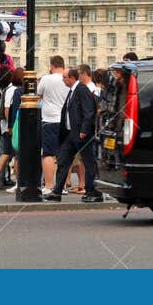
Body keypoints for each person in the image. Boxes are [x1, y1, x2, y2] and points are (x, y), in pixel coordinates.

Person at [45, 65, 103, 202]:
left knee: (89, 163)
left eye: (64, 78)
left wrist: (84, 130)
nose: (63, 80)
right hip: (71, 135)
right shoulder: (72, 91)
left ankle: (92, 192)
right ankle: (57, 192)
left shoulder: (81, 89)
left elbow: (89, 112)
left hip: (81, 134)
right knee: (63, 161)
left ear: (71, 78)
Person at [37, 56, 69, 192]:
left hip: (49, 119)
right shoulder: (69, 79)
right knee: (64, 154)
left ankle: (49, 185)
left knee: (48, 154)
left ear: (52, 66)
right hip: (65, 121)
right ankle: (63, 186)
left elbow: (38, 95)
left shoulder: (46, 79)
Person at [0, 71, 19, 190]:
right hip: (9, 128)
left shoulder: (6, 88)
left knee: (7, 152)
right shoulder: (13, 90)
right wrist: (10, 126)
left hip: (6, 126)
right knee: (10, 153)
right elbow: (7, 109)